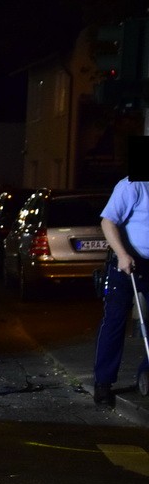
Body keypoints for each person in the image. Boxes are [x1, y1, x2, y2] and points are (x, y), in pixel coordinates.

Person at [92, 174, 149, 406]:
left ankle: (146, 373)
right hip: (127, 262)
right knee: (115, 320)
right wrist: (123, 254)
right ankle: (103, 383)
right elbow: (108, 221)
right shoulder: (132, 185)